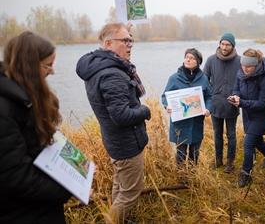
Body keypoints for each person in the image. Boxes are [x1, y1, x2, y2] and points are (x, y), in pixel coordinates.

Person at [76, 23, 151, 224]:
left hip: (114, 141)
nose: (130, 44)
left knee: (120, 183)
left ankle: (120, 219)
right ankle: (113, 221)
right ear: (108, 43)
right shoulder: (112, 74)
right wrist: (145, 110)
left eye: (130, 39)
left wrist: (121, 29)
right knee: (130, 192)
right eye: (125, 40)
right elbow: (121, 116)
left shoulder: (97, 64)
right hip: (125, 143)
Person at [0, 31, 72, 223]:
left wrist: (77, 168)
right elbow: (16, 178)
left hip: (40, 209)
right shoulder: (4, 110)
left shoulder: (23, 99)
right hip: (23, 214)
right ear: (28, 67)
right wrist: (68, 188)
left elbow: (36, 149)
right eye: (47, 65)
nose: (52, 71)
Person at [228, 48, 265, 188]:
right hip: (248, 114)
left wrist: (241, 103)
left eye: (248, 66)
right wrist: (235, 96)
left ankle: (246, 174)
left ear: (256, 65)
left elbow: (262, 104)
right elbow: (236, 88)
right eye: (243, 65)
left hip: (262, 116)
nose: (245, 69)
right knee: (257, 140)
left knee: (248, 143)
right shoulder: (240, 73)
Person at [161, 48, 212, 168]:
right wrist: (167, 105)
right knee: (181, 154)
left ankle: (193, 178)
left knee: (195, 153)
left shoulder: (203, 79)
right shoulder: (174, 78)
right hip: (180, 124)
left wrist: (208, 109)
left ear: (198, 62)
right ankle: (182, 179)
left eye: (191, 58)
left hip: (196, 123)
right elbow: (165, 95)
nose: (187, 59)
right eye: (186, 57)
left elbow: (209, 97)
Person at [202, 33, 241, 173]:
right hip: (215, 103)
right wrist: (211, 94)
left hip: (232, 105)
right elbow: (204, 80)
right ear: (219, 44)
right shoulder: (211, 60)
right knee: (217, 133)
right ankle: (218, 159)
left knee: (231, 134)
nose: (224, 47)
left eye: (228, 45)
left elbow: (243, 81)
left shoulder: (239, 61)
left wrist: (237, 96)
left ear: (232, 46)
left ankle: (230, 161)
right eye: (222, 44)